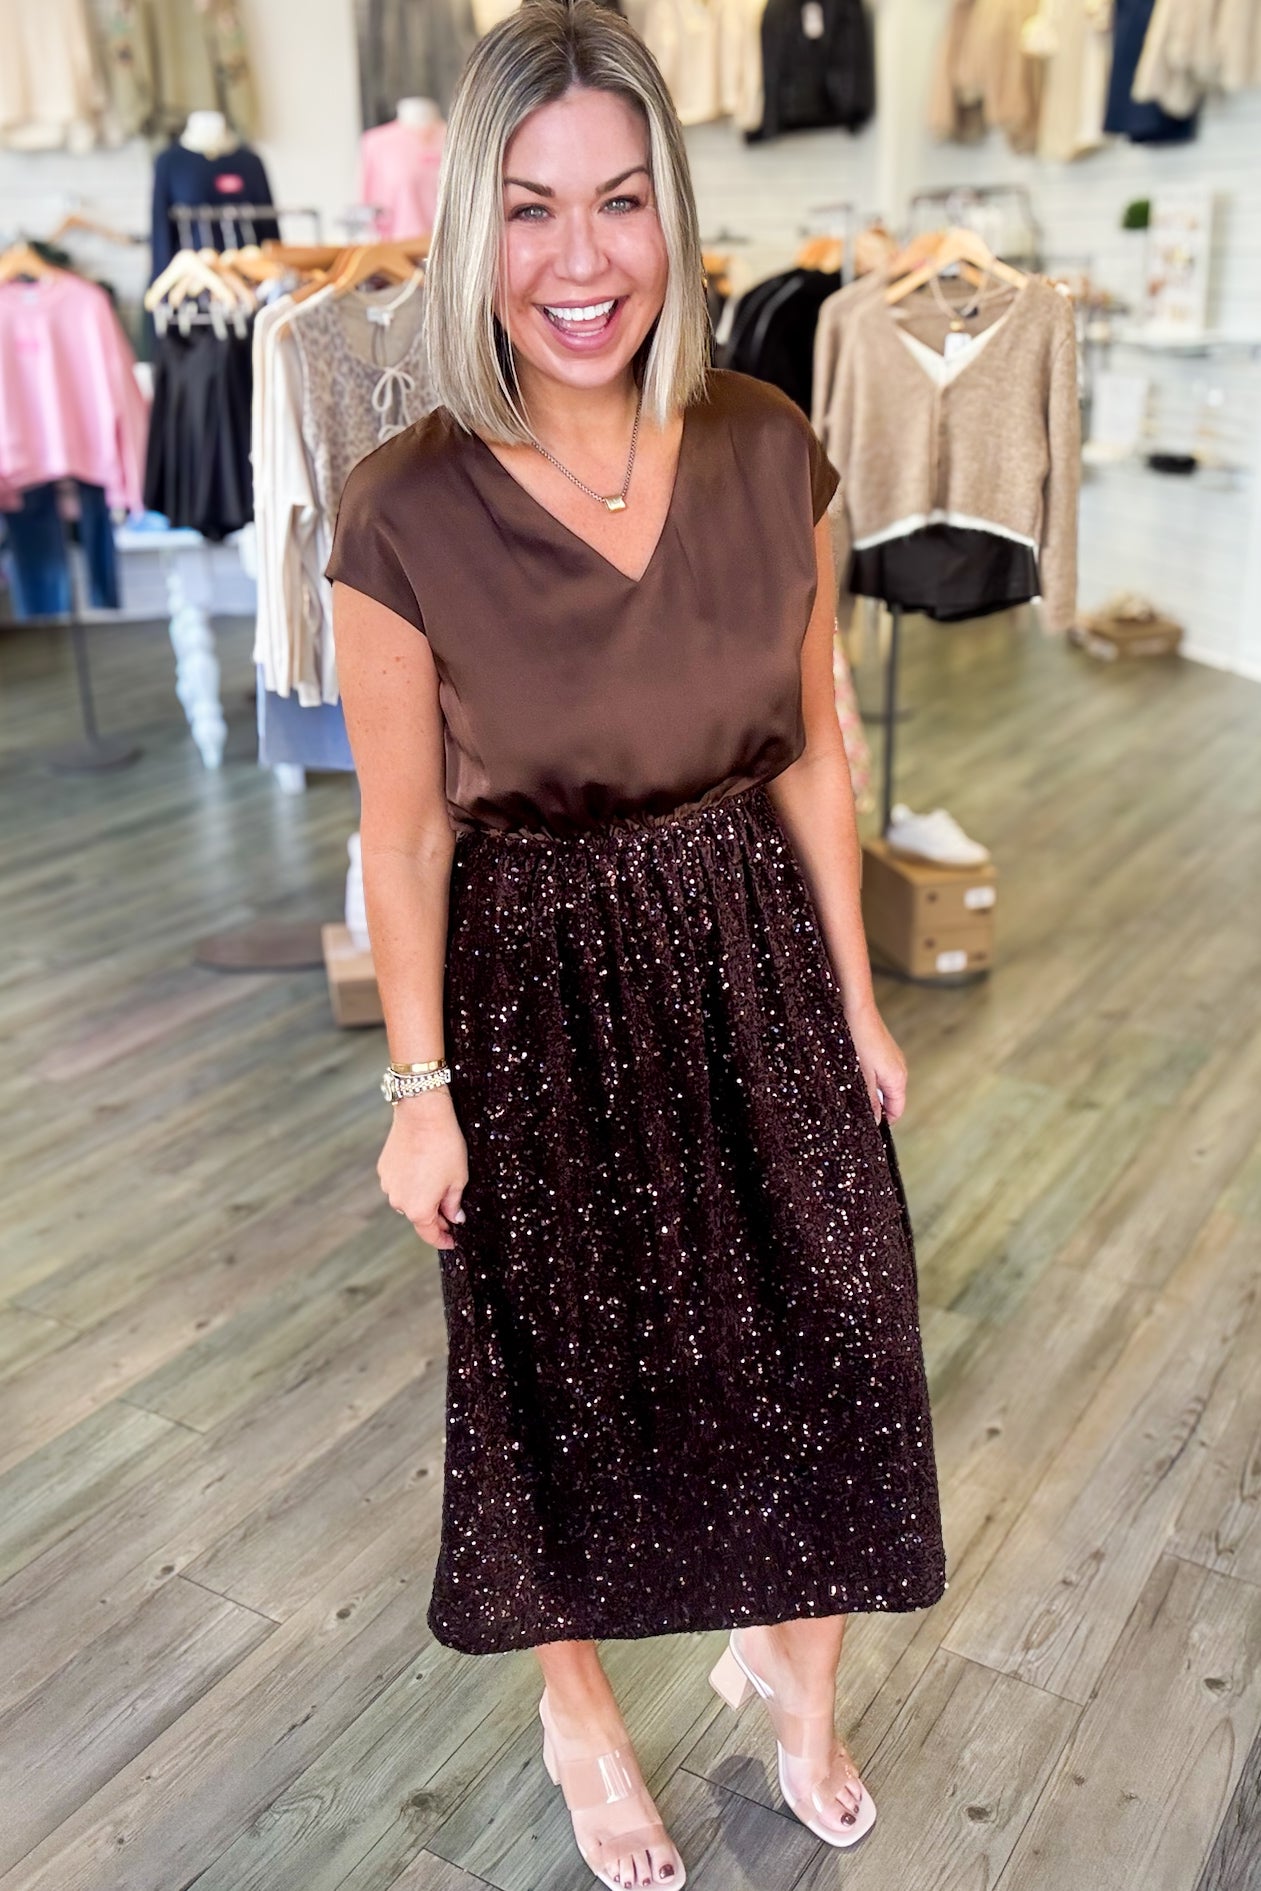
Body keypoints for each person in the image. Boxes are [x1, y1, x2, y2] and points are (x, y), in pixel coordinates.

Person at [326, 3, 948, 1885]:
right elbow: (403, 832)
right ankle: (578, 1709)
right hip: (532, 984)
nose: (578, 260)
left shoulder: (767, 445)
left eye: (618, 202)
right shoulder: (401, 509)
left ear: (672, 214)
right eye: (528, 209)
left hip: (754, 948)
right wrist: (418, 1089)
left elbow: (815, 741)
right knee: (564, 1384)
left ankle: (792, 1668)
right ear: (471, 231)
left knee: (842, 1328)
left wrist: (856, 1000)